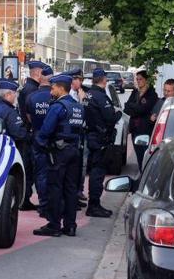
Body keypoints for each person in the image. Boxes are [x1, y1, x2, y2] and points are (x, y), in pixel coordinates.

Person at [33, 74, 84, 237]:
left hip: (59, 152)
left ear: (61, 88)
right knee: (70, 189)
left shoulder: (58, 107)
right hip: (75, 152)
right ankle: (70, 225)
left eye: (53, 87)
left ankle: (54, 225)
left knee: (55, 187)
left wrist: (39, 145)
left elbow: (46, 130)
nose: (51, 90)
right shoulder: (78, 107)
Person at [84, 68, 122, 218]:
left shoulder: (88, 95)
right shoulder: (100, 97)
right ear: (104, 79)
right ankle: (94, 205)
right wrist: (118, 113)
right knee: (98, 173)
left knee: (94, 170)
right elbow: (110, 118)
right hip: (100, 139)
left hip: (91, 136)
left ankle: (93, 204)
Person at [0, 80, 29, 186]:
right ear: (7, 94)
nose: (15, 97)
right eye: (14, 94)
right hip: (4, 155)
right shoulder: (9, 112)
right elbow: (20, 133)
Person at [17, 60, 46, 211]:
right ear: (38, 73)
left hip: (27, 131)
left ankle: (25, 198)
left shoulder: (28, 87)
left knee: (29, 168)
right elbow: (31, 114)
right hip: (30, 132)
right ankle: (25, 198)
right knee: (31, 168)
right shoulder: (32, 90)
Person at [25, 64, 54, 218]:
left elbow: (29, 117)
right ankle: (52, 204)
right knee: (55, 173)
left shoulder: (32, 97)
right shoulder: (54, 96)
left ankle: (43, 204)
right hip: (53, 139)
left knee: (40, 173)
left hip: (37, 137)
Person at [63, 67, 90, 204]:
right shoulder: (70, 95)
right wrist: (81, 102)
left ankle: (78, 191)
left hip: (82, 134)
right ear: (72, 80)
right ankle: (72, 194)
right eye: (78, 79)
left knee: (81, 165)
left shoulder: (83, 92)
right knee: (73, 166)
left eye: (81, 79)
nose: (80, 82)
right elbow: (78, 115)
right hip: (73, 134)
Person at [124, 70, 158, 169]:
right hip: (135, 128)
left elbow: (144, 109)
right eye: (137, 79)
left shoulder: (151, 94)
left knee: (144, 156)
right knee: (138, 156)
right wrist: (137, 108)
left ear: (146, 80)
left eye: (140, 79)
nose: (138, 81)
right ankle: (141, 173)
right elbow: (126, 108)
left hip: (145, 129)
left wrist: (134, 107)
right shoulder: (135, 92)